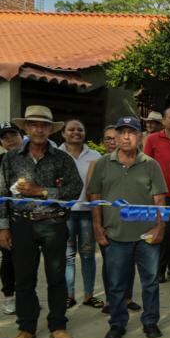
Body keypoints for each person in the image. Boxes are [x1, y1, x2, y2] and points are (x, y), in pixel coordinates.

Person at [0, 107, 82, 338]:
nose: (38, 129)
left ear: (50, 129)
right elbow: (2, 193)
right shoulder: (11, 158)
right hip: (21, 224)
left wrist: (42, 191)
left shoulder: (62, 158)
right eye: (33, 124)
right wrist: (3, 227)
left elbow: (74, 190)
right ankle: (26, 327)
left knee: (56, 277)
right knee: (24, 278)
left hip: (54, 223)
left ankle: (57, 325)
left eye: (43, 125)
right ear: (26, 128)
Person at [87, 116, 167, 338]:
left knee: (150, 282)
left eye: (131, 132)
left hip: (146, 235)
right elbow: (95, 197)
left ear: (140, 136)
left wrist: (159, 228)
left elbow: (160, 199)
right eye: (121, 132)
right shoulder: (103, 164)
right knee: (116, 283)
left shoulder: (150, 165)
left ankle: (150, 322)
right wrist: (97, 226)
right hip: (115, 234)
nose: (126, 136)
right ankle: (117, 323)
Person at [59, 119, 102, 310]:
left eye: (80, 129)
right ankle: (69, 295)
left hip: (86, 213)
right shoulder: (56, 155)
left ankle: (88, 295)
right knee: (67, 256)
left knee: (87, 255)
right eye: (71, 129)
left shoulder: (94, 155)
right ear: (63, 133)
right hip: (64, 213)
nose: (76, 132)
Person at [143, 107, 170, 283]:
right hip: (161, 195)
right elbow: (145, 165)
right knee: (164, 233)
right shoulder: (152, 139)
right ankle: (160, 269)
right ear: (163, 121)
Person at [0, 122, 23, 315]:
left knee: (27, 261)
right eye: (5, 137)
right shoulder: (1, 161)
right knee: (8, 258)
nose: (10, 140)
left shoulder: (31, 158)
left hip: (31, 218)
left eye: (13, 135)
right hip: (6, 218)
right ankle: (8, 296)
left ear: (21, 136)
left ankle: (25, 298)